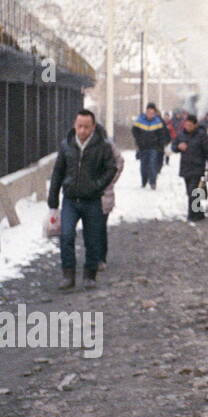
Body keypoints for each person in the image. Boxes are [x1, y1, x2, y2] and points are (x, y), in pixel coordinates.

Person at [47, 109, 115, 291]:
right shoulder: (66, 145)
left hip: (92, 200)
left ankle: (90, 275)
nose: (83, 130)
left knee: (92, 239)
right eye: (79, 126)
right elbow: (58, 172)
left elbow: (111, 168)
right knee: (66, 235)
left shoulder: (103, 146)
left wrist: (97, 185)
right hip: (70, 199)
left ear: (93, 127)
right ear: (74, 126)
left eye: (86, 127)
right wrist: (53, 201)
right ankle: (68, 275)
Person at [172, 114, 208, 223]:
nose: (188, 127)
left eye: (190, 125)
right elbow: (173, 146)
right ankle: (199, 213)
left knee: (193, 191)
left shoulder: (202, 136)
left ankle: (192, 215)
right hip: (186, 167)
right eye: (186, 125)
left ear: (195, 125)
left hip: (198, 167)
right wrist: (178, 147)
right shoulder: (181, 135)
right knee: (191, 192)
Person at [99, 135, 125, 269]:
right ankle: (94, 255)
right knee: (90, 226)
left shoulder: (107, 145)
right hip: (84, 194)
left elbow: (119, 161)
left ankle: (100, 257)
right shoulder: (76, 143)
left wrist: (109, 180)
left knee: (100, 226)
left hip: (104, 193)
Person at [131, 103, 168, 189]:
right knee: (143, 165)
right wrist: (139, 140)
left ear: (154, 113)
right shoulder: (140, 120)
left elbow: (162, 134)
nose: (150, 115)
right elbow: (134, 130)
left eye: (152, 113)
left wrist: (160, 144)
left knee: (152, 164)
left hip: (154, 147)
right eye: (148, 112)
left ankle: (153, 182)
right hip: (143, 147)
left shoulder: (158, 121)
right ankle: (144, 181)